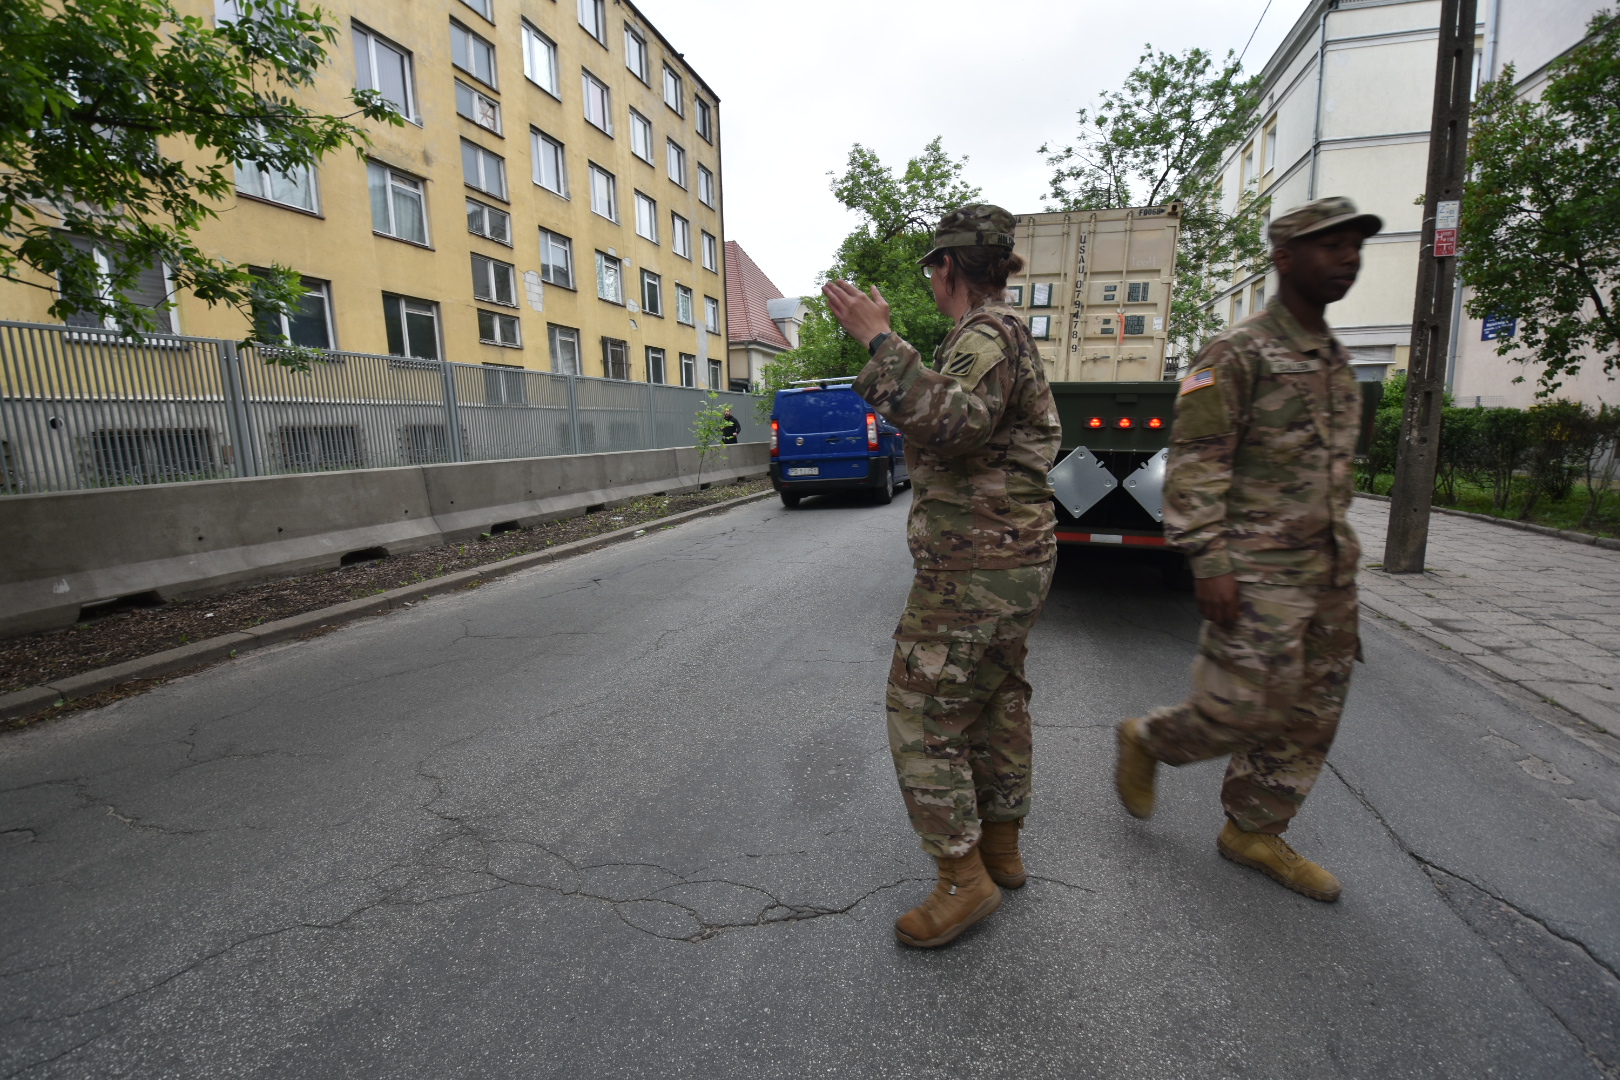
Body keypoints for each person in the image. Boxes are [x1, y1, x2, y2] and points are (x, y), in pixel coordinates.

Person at [1114, 196, 1382, 903]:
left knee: (1311, 711)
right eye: (1332, 245)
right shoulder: (1238, 352)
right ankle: (1149, 739)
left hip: (1328, 571)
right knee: (1243, 708)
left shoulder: (1334, 357)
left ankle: (1253, 830)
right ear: (1284, 257)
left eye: (1355, 246)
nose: (1349, 258)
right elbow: (1197, 463)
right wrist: (1208, 559)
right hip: (1258, 572)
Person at [822, 204, 1061, 948]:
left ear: (947, 267)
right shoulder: (1001, 332)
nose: (931, 280)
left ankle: (964, 879)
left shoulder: (986, 333)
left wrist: (879, 341)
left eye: (932, 269)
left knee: (922, 709)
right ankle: (1001, 849)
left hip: (978, 564)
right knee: (994, 699)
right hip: (1007, 558)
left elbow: (956, 423)